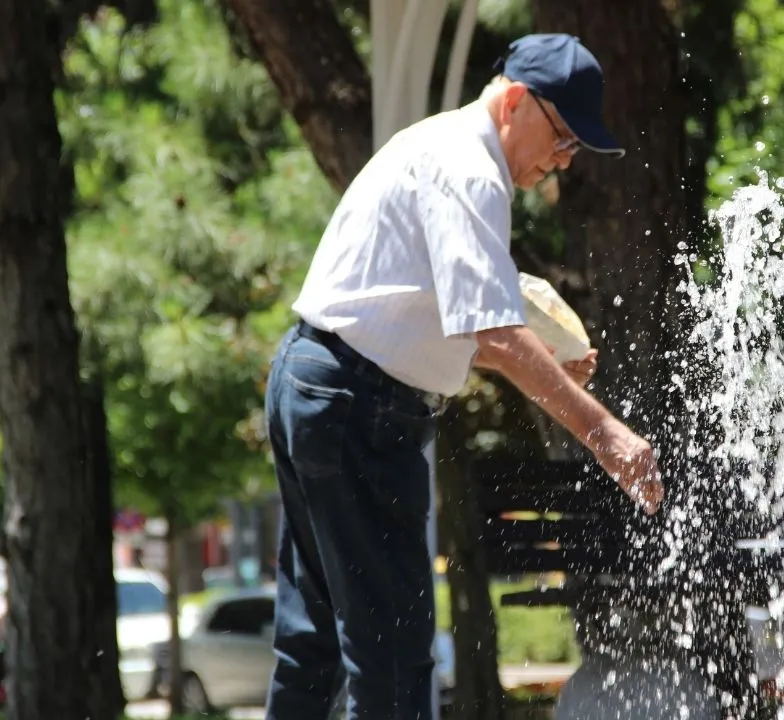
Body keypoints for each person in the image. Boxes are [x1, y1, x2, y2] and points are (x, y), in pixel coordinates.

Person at [263, 33, 665, 720]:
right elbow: (497, 335)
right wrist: (607, 436)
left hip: (317, 382)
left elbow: (430, 322)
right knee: (390, 654)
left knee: (314, 642)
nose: (562, 162)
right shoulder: (470, 169)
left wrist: (542, 354)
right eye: (564, 137)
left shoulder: (439, 146)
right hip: (357, 406)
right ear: (515, 101)